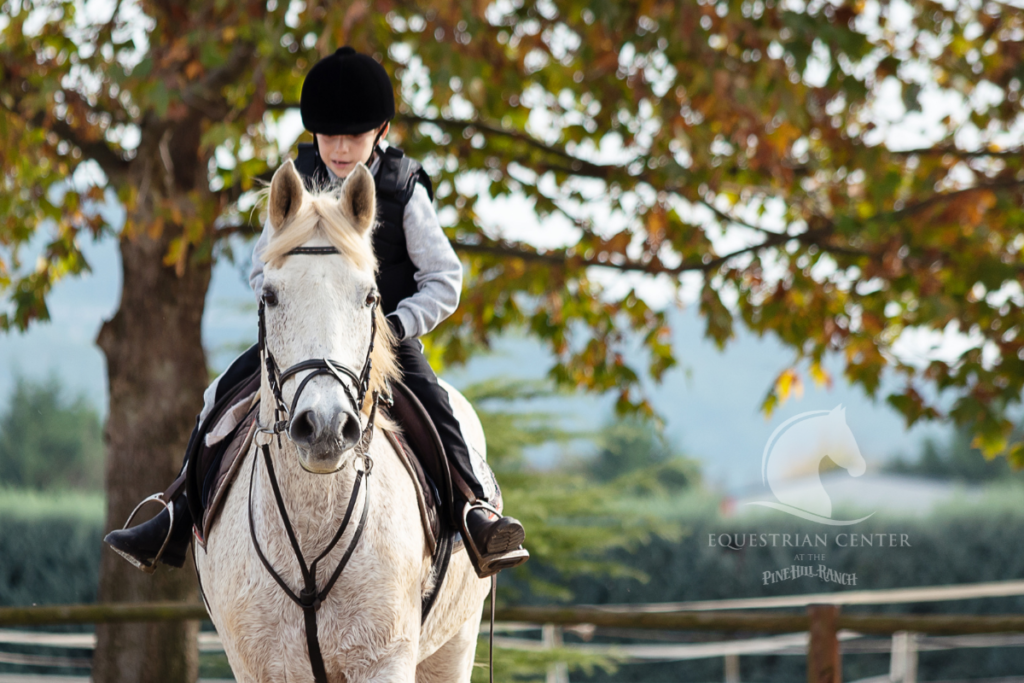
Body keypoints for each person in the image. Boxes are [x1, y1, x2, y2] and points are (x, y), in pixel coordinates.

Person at [104, 46, 528, 579]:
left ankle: (475, 511)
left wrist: (391, 327)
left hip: (383, 340)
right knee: (218, 399)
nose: (343, 148)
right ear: (314, 134)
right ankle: (173, 514)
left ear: (383, 130)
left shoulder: (401, 189)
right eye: (331, 136)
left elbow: (445, 280)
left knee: (436, 407)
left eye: (355, 135)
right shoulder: (292, 189)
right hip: (299, 341)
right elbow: (262, 271)